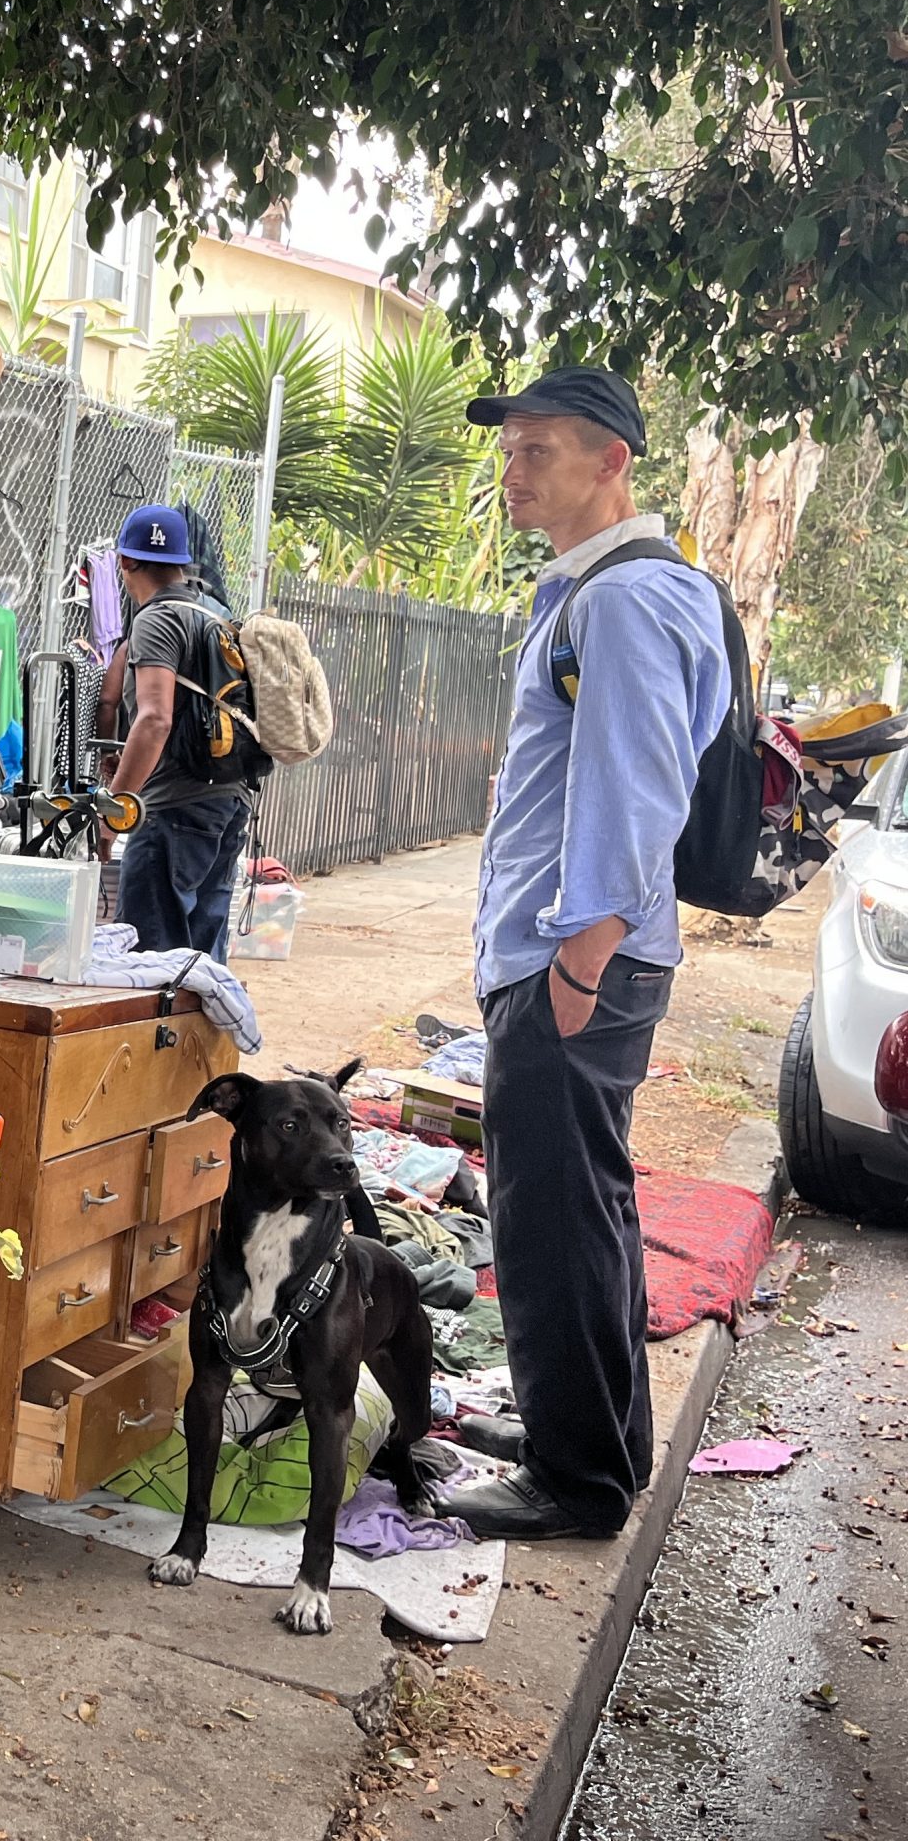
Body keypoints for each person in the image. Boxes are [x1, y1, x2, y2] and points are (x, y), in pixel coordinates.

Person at [437, 367, 731, 1540]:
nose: (514, 476)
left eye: (539, 452)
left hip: (578, 962)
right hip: (571, 954)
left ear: (612, 462)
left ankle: (578, 1483)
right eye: (509, 453)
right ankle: (586, 1436)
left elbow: (636, 790)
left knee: (553, 1213)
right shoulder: (608, 591)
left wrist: (576, 963)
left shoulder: (622, 600)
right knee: (580, 1211)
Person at [98, 503, 254, 959]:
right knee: (203, 961)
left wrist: (114, 816)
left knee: (153, 959)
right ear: (184, 563)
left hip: (174, 811)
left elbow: (155, 719)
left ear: (126, 562)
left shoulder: (155, 620)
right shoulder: (214, 617)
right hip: (227, 801)